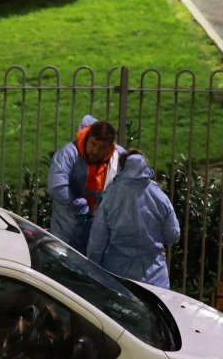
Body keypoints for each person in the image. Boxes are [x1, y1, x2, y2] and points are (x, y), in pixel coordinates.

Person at [86, 150, 181, 289]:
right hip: (155, 279)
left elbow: (97, 242)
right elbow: (173, 235)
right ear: (146, 168)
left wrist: (92, 270)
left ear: (122, 168)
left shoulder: (110, 196)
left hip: (117, 278)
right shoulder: (160, 197)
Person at [47, 115, 124, 253]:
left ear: (111, 147)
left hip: (102, 232)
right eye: (93, 144)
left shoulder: (118, 158)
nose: (95, 150)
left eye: (102, 148)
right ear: (87, 138)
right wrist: (76, 204)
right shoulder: (69, 153)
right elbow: (57, 185)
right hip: (67, 230)